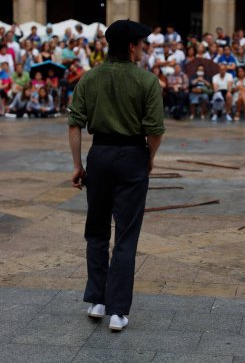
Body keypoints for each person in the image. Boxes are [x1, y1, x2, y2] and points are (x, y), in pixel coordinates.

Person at [68, 19, 165, 331]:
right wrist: (148, 159)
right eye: (141, 44)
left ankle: (97, 299)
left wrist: (77, 164)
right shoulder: (147, 82)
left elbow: (74, 124)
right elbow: (155, 131)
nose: (143, 50)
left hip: (99, 155)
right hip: (132, 156)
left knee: (96, 230)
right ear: (131, 47)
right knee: (125, 234)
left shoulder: (89, 78)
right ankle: (118, 311)